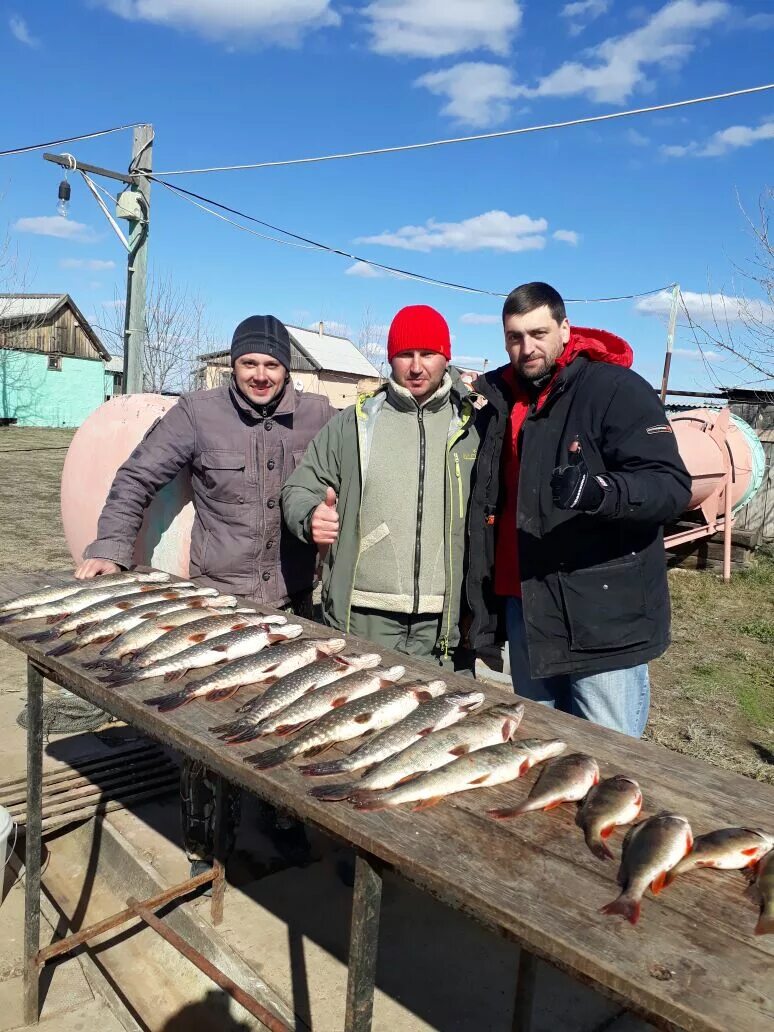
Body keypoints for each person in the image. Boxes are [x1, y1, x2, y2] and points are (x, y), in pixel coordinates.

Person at [75, 314, 335, 872]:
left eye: (272, 364)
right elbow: (136, 477)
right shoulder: (198, 414)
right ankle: (205, 841)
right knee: (207, 734)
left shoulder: (319, 416)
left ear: (287, 368)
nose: (261, 376)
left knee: (291, 720)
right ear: (232, 365)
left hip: (294, 603)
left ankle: (284, 819)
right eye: (249, 363)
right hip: (218, 602)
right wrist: (110, 547)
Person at [467, 282, 692, 737]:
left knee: (608, 753)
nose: (527, 347)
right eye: (514, 337)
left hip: (601, 615)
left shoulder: (615, 390)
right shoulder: (499, 399)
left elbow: (670, 486)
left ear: (565, 329)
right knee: (543, 744)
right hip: (526, 601)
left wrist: (600, 491)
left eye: (538, 333)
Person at [281, 304, 479, 672]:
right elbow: (300, 486)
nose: (416, 367)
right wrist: (310, 516)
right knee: (361, 719)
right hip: (364, 614)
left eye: (428, 354)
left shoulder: (470, 428)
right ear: (391, 359)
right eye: (405, 354)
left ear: (446, 357)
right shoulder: (355, 423)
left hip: (444, 621)